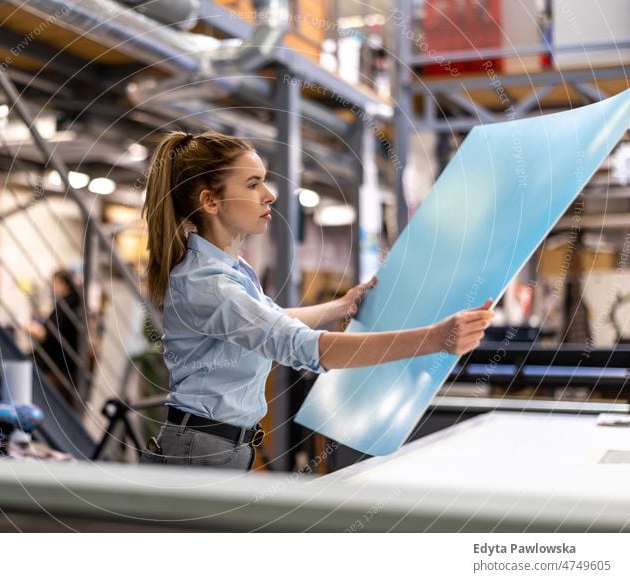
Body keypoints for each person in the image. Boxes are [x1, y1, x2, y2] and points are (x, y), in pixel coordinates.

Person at [140, 130, 493, 470]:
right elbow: (305, 347)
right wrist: (434, 339)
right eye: (252, 184)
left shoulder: (230, 269)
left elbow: (271, 319)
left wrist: (341, 306)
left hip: (216, 446)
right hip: (200, 451)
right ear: (211, 201)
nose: (269, 194)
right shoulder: (209, 283)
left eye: (263, 180)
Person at [28, 269, 84, 407]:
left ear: (63, 284)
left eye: (53, 282)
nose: (51, 286)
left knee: (20, 361)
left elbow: (47, 333)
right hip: (67, 360)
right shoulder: (75, 302)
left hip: (56, 361)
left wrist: (30, 328)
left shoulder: (65, 305)